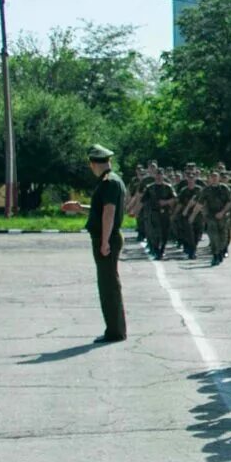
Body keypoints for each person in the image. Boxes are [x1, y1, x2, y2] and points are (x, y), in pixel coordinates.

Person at [85, 145, 128, 342]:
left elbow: (109, 212)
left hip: (107, 239)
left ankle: (115, 331)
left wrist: (104, 241)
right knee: (109, 284)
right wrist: (81, 208)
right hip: (109, 236)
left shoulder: (108, 182)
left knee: (108, 286)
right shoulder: (113, 180)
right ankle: (114, 329)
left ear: (93, 163)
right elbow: (102, 211)